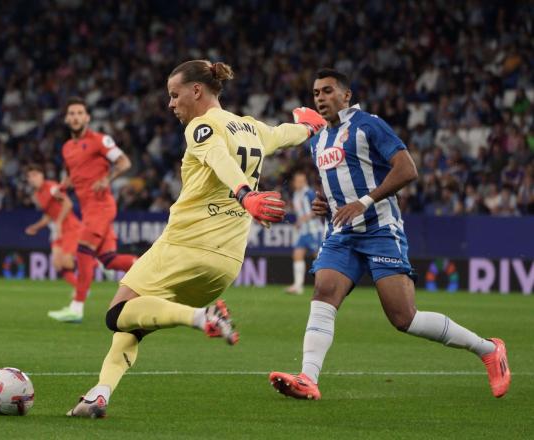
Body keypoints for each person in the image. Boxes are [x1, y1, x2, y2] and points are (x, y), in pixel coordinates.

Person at [66, 59, 326, 418]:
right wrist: (309, 128)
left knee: (117, 314)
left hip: (185, 247)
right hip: (225, 265)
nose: (171, 104)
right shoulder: (251, 128)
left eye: (175, 95)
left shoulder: (202, 127)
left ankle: (199, 317)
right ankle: (100, 394)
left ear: (197, 91)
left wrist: (245, 193)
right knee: (137, 325)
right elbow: (284, 134)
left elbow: (219, 159)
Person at [269, 68, 510, 400]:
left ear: (346, 95)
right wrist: (327, 203)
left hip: (381, 229)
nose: (321, 98)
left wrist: (363, 202)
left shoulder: (369, 125)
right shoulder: (319, 139)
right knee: (324, 291)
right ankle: (308, 377)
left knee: (403, 317)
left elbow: (407, 169)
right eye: (316, 94)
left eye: (327, 91)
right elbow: (337, 182)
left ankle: (488, 349)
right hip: (342, 234)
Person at [47, 97, 138, 323]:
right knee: (108, 259)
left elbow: (125, 162)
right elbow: (72, 174)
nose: (76, 117)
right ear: (67, 119)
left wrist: (108, 178)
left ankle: (76, 308)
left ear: (87, 117)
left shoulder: (100, 140)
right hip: (87, 209)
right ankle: (147, 268)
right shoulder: (67, 148)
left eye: (80, 113)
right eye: (72, 113)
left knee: (83, 251)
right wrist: (62, 186)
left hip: (101, 206)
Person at [24, 164, 82, 289]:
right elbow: (48, 216)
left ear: (42, 175)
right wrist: (36, 227)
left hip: (70, 227)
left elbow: (68, 204)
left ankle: (92, 269)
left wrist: (59, 222)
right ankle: (79, 289)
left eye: (35, 175)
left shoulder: (51, 187)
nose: (32, 178)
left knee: (66, 261)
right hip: (58, 229)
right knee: (57, 264)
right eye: (30, 176)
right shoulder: (37, 196)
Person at [285, 170, 326, 295]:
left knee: (319, 259)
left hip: (314, 230)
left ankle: (324, 286)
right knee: (297, 254)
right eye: (297, 181)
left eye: (301, 181)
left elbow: (317, 210)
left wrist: (303, 219)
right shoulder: (296, 194)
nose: (298, 183)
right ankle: (298, 286)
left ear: (304, 181)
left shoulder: (309, 193)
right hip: (303, 231)